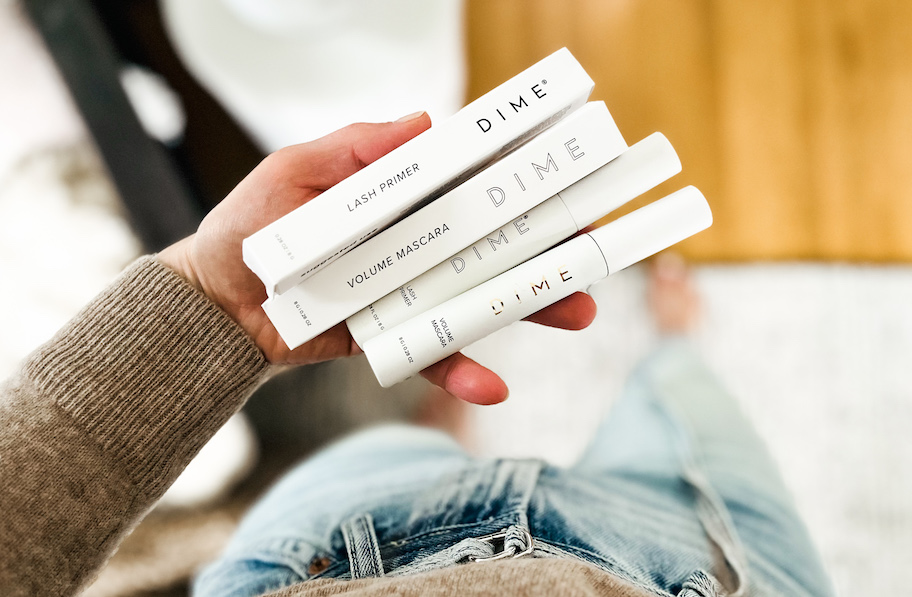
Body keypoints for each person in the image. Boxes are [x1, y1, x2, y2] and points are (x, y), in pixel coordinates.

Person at [0, 113, 832, 596]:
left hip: (316, 550)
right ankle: (675, 343)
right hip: (682, 570)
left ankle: (446, 435)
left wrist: (212, 307)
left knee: (398, 445)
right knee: (683, 404)